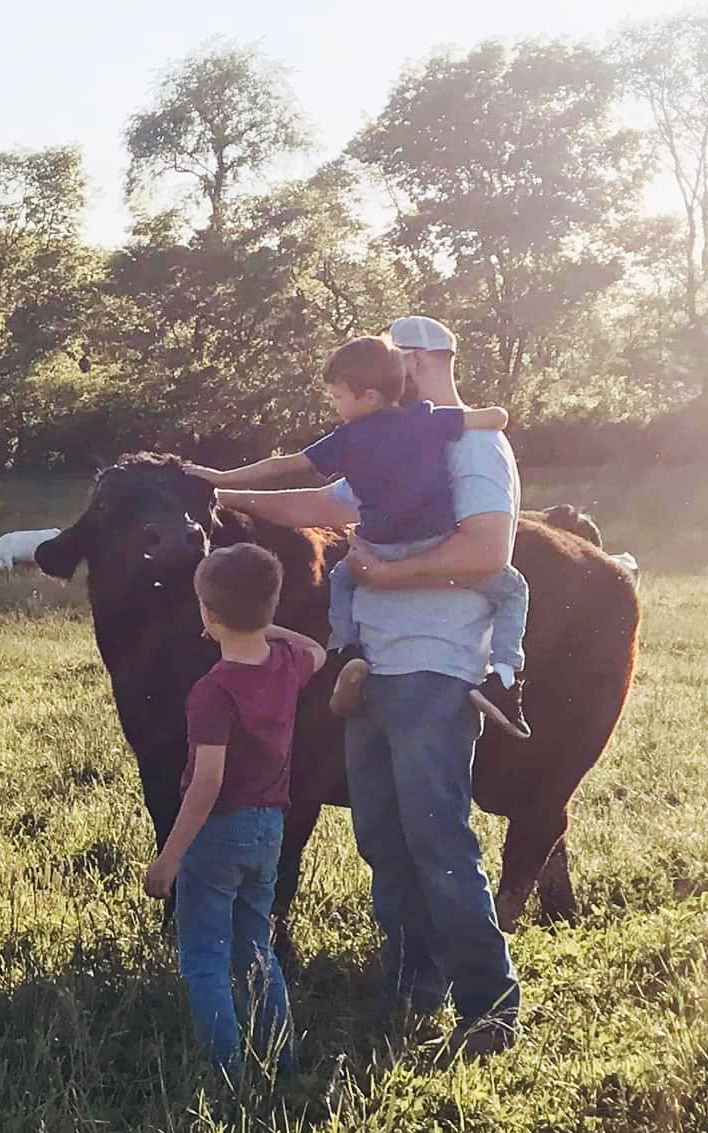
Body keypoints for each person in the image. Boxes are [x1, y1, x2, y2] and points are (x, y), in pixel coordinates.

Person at [209, 315, 523, 1061]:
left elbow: (488, 550)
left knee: (437, 837)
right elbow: (324, 505)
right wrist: (226, 495)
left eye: (393, 356)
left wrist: (384, 573)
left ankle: (490, 1008)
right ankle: (414, 988)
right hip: (373, 665)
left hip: (434, 662)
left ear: (416, 363)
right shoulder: (396, 441)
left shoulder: (471, 444)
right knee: (383, 837)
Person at [183, 333, 529, 739]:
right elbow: (495, 418)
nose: (334, 406)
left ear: (366, 396)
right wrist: (480, 417)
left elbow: (286, 466)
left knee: (342, 579)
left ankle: (344, 650)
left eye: (336, 397)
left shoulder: (349, 438)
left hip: (376, 545)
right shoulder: (426, 420)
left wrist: (220, 482)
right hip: (430, 542)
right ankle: (505, 678)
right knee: (514, 589)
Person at [143, 543, 326, 1085]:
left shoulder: (212, 691)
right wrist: (270, 629)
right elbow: (315, 648)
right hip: (269, 828)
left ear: (209, 615)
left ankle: (227, 1076)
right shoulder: (288, 667)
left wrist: (168, 860)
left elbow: (206, 783)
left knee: (204, 958)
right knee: (256, 950)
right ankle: (281, 1060)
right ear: (271, 609)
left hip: (218, 834)